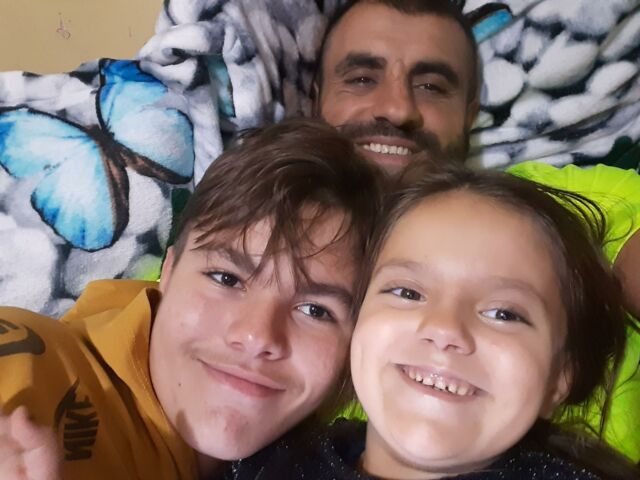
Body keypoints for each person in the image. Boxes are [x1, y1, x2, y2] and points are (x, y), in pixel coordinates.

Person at [312, 0, 640, 459]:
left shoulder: (562, 209)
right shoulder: (260, 242)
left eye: (431, 86)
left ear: (469, 114)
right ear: (316, 98)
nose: (398, 109)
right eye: (363, 79)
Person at [0, 118, 383, 479]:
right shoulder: (26, 363)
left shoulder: (333, 456)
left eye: (315, 311)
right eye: (226, 278)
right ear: (168, 272)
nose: (256, 335)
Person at [230, 161, 640, 479]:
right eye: (407, 292)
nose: (444, 329)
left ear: (559, 378)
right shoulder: (266, 460)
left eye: (503, 313)